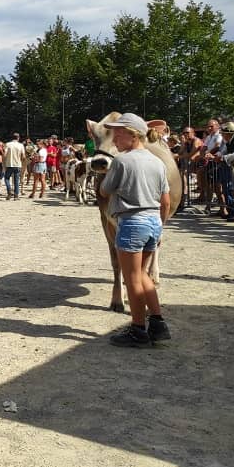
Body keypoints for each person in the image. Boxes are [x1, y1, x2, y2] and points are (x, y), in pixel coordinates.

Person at [98, 113, 172, 348]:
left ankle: (138, 329)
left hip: (132, 223)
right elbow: (166, 201)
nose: (114, 138)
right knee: (143, 275)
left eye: (118, 133)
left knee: (132, 280)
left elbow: (104, 190)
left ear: (133, 134)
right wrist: (160, 225)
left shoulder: (121, 161)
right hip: (153, 222)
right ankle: (158, 323)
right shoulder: (158, 162)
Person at [3, 133, 25, 200]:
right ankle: (16, 196)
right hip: (17, 164)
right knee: (16, 180)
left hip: (9, 164)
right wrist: (21, 161)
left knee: (6, 178)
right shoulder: (21, 145)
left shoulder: (8, 144)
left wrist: (4, 161)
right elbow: (23, 156)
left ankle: (9, 191)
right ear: (18, 138)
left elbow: (4, 155)